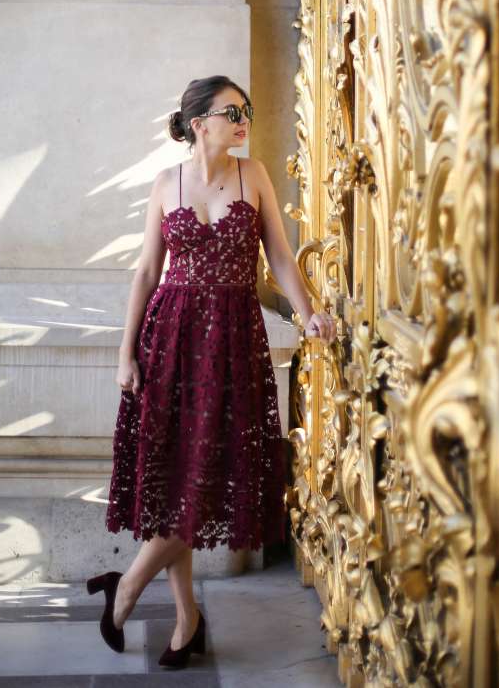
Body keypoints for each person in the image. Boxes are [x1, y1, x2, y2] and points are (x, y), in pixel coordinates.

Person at [86, 75, 337, 668]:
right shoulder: (164, 183)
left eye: (246, 110)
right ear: (199, 123)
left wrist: (308, 313)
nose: (244, 119)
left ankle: (126, 586)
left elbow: (279, 256)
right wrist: (125, 353)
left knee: (206, 477)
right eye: (232, 111)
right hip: (170, 340)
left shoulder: (255, 175)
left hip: (232, 341)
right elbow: (146, 273)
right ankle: (187, 620)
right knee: (181, 478)